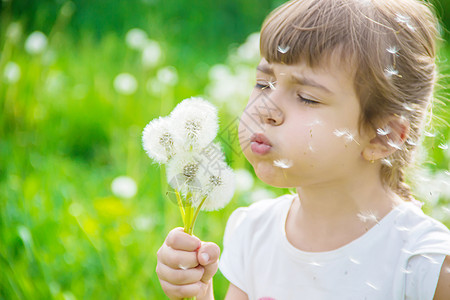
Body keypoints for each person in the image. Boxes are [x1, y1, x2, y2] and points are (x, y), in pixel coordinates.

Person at [156, 0, 450, 299]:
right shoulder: (253, 233)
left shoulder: (425, 264)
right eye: (262, 83)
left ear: (381, 137)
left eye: (307, 97)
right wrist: (197, 293)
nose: (265, 109)